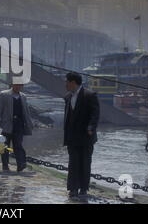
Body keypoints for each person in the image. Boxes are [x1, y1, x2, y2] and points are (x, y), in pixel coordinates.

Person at [63, 72, 100, 200]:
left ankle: (83, 189)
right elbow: (67, 117)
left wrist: (91, 128)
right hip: (72, 138)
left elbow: (95, 114)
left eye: (67, 82)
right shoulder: (67, 97)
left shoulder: (89, 95)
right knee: (73, 164)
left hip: (86, 137)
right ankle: (73, 189)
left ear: (73, 82)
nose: (65, 84)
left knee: (85, 163)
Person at [0, 83, 33, 172]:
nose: (18, 87)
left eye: (20, 85)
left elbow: (26, 111)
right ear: (12, 85)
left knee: (18, 145)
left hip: (19, 125)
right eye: (16, 85)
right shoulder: (4, 95)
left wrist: (29, 123)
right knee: (5, 146)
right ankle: (5, 165)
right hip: (6, 125)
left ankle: (21, 164)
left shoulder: (23, 96)